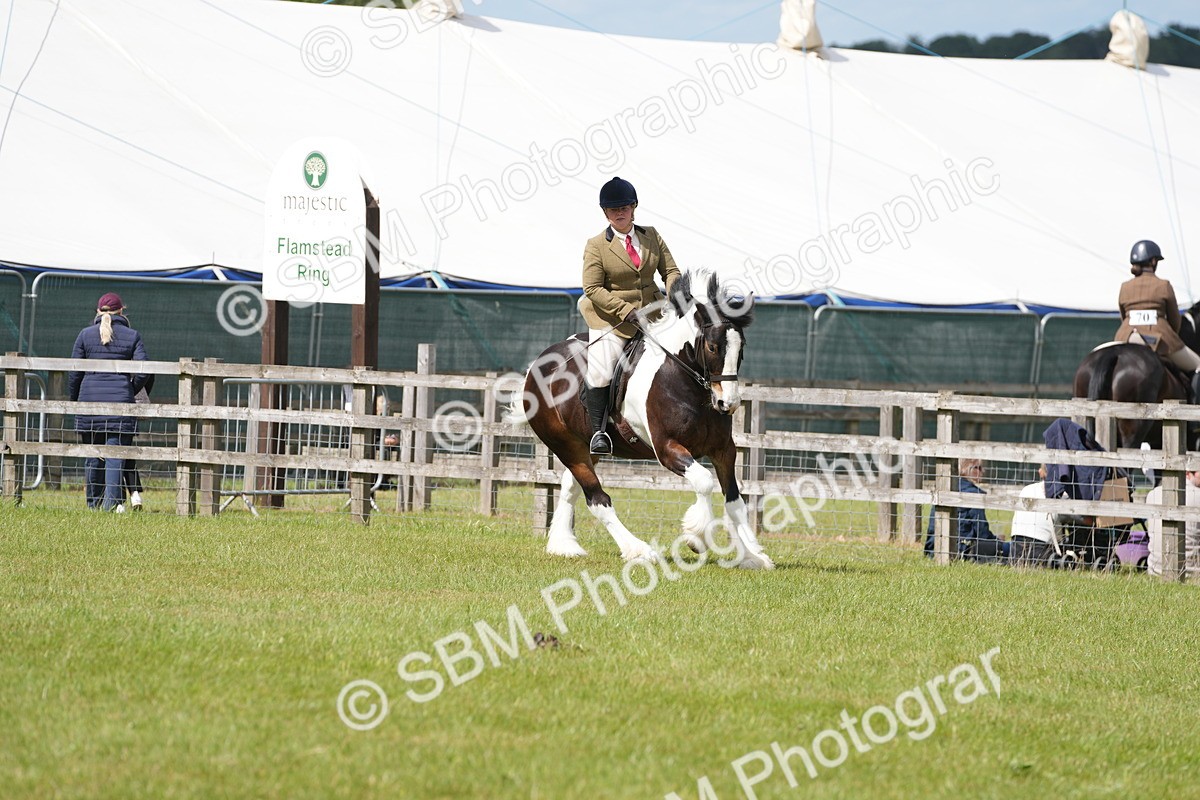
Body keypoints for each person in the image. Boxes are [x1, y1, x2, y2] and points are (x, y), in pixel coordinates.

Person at [579, 177, 681, 454]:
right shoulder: (596, 245)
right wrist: (625, 310)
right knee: (601, 370)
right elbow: (592, 288)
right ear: (605, 213)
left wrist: (676, 296)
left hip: (655, 313)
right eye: (613, 210)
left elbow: (671, 271)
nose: (619, 213)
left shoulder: (652, 236)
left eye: (624, 207)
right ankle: (598, 433)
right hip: (612, 319)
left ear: (634, 207)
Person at [67, 293, 148, 511]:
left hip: (89, 404)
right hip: (120, 406)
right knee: (116, 456)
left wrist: (75, 401)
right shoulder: (132, 336)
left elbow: (74, 373)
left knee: (93, 456)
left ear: (98, 311)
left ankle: (93, 505)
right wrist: (129, 390)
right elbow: (144, 370)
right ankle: (112, 505)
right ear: (121, 311)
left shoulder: (85, 335)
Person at [1114, 239, 1200, 399]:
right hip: (1159, 340)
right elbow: (1175, 321)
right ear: (1153, 261)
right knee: (1198, 365)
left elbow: (1123, 316)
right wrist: (1172, 335)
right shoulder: (1163, 285)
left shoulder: (1125, 287)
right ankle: (1195, 410)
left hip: (1127, 336)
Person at [924, 458, 1011, 563]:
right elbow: (982, 533)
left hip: (933, 549)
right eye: (977, 468)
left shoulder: (944, 489)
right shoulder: (974, 494)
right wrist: (997, 540)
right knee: (1011, 547)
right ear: (965, 470)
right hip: (963, 550)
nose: (982, 471)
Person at [1145, 470, 1200, 579]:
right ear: (1187, 472)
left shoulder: (1152, 494)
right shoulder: (1197, 495)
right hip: (1192, 573)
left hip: (1155, 570)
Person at [1009, 466, 1061, 568]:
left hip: (1016, 547)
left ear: (1041, 472)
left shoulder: (1026, 489)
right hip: (1042, 550)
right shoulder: (1061, 493)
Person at [121, 373, 154, 511]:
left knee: (111, 456)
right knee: (125, 451)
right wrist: (133, 390)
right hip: (131, 402)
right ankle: (134, 493)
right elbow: (148, 374)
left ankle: (119, 501)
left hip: (104, 399)